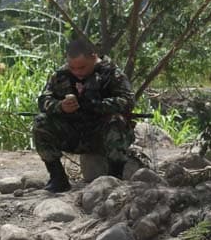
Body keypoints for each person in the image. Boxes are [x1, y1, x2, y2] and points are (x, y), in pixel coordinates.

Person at [32, 37, 135, 193]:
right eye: (72, 68)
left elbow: (127, 101)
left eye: (82, 67)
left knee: (117, 121)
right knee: (41, 122)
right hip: (72, 134)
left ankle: (114, 178)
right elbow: (44, 100)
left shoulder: (111, 73)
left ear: (94, 57)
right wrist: (60, 106)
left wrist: (96, 105)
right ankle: (57, 178)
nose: (77, 72)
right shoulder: (61, 74)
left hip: (101, 135)